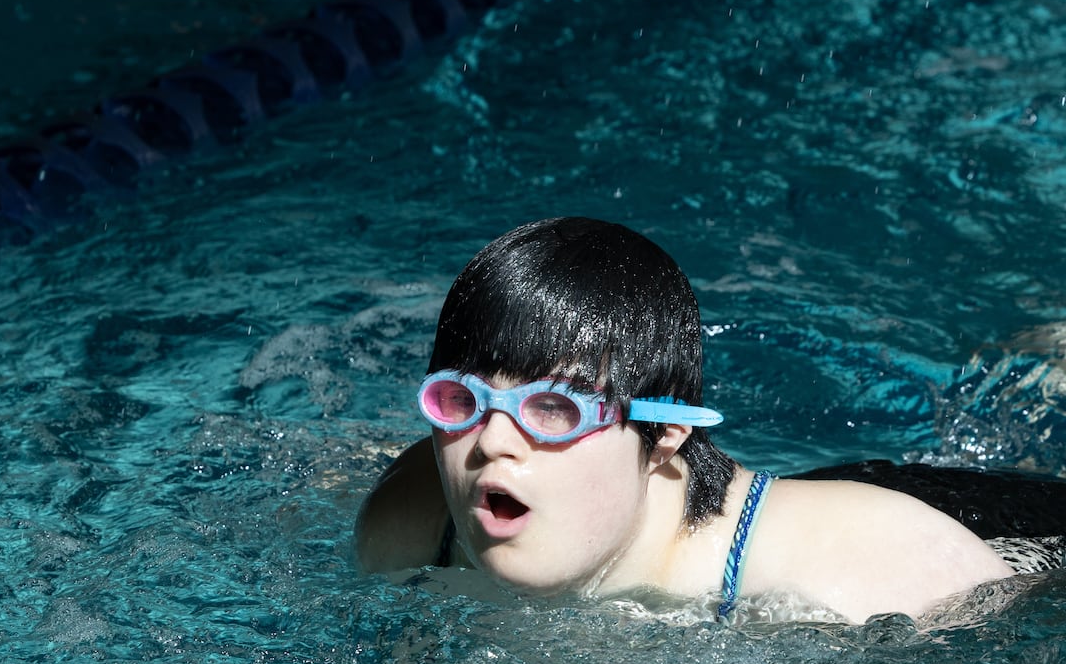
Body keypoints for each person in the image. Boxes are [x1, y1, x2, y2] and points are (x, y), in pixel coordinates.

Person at [354, 216, 1022, 624]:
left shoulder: (863, 572)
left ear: (666, 429)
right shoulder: (408, 527)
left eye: (552, 409)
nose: (490, 442)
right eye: (464, 400)